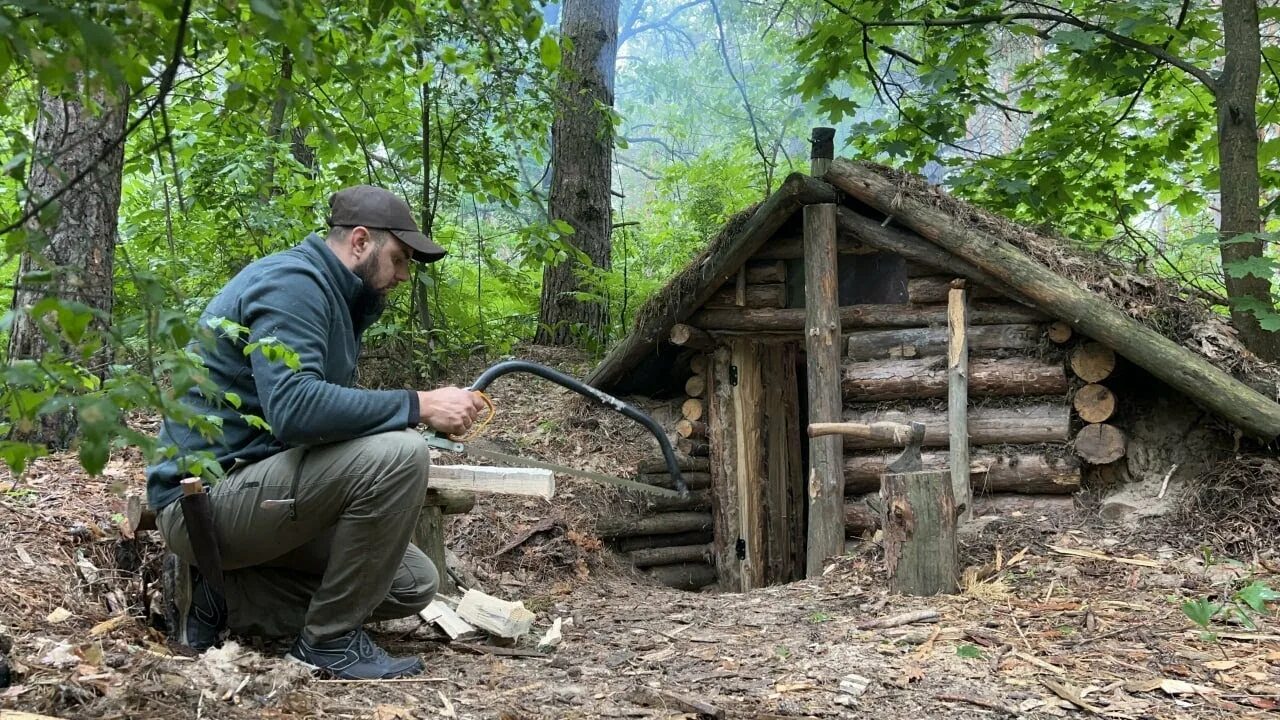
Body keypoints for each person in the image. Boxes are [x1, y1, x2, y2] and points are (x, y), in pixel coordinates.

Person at [146, 185, 485, 680]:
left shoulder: (335, 298)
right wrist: (420, 404)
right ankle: (328, 642)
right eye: (400, 258)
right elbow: (296, 410)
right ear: (361, 242)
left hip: (257, 493)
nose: (404, 275)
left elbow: (315, 424)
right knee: (401, 453)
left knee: (414, 584)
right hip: (202, 505)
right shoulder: (293, 283)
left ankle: (228, 600)